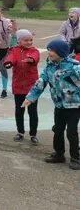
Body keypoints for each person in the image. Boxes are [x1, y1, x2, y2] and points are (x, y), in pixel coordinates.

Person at [23, 40, 80, 170]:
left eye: (52, 50)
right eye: (48, 50)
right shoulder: (49, 67)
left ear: (61, 52)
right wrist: (30, 98)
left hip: (74, 106)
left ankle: (76, 158)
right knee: (58, 130)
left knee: (72, 132)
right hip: (59, 105)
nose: (49, 52)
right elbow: (40, 83)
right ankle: (59, 154)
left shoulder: (74, 66)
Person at [3, 29, 40, 144]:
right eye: (26, 40)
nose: (29, 42)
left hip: (32, 87)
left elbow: (36, 57)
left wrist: (31, 59)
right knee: (19, 111)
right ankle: (20, 132)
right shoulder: (14, 50)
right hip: (18, 86)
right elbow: (11, 58)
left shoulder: (34, 51)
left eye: (30, 40)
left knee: (33, 111)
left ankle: (33, 134)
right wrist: (8, 63)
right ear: (19, 41)